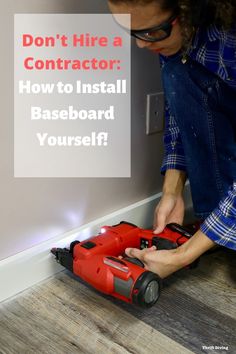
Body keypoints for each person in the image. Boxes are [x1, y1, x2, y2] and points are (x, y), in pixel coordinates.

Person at [108, 0, 236, 278]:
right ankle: (219, 227)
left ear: (189, 8)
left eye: (152, 32)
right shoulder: (177, 35)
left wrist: (185, 254)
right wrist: (172, 190)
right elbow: (180, 111)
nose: (141, 45)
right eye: (132, 32)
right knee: (178, 71)